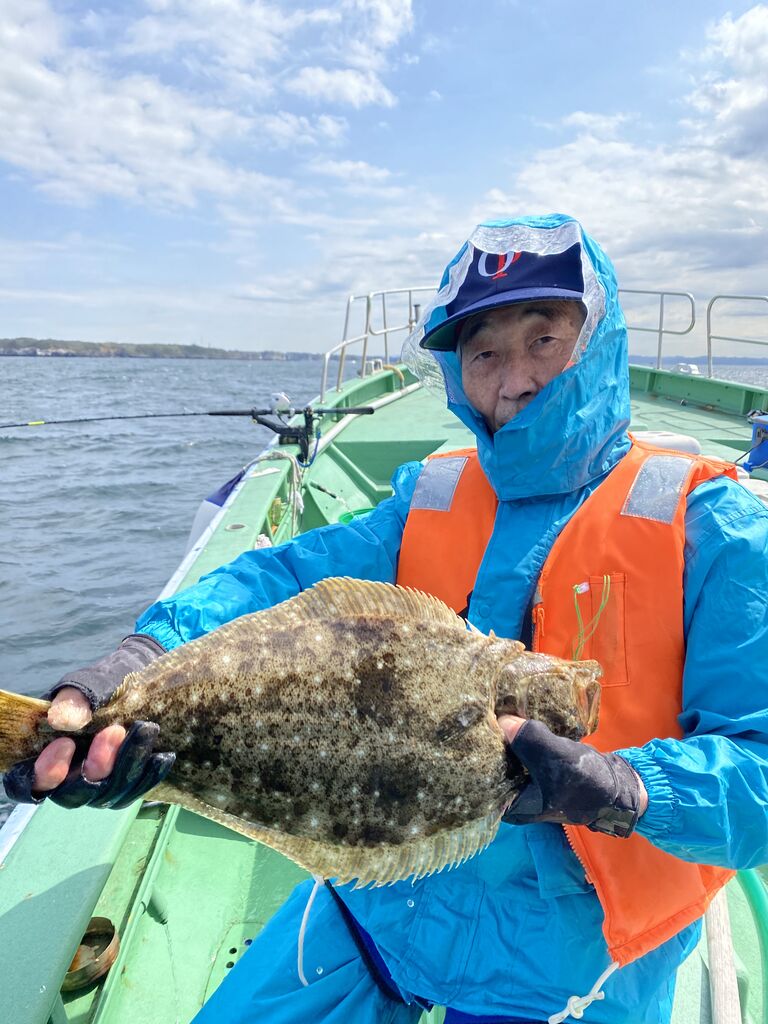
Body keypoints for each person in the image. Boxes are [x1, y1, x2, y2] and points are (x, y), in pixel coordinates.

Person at [5, 213, 768, 1024]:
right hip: (380, 907)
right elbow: (280, 579)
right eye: (484, 354)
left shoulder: (714, 525)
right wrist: (143, 658)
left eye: (544, 339)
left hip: (582, 958)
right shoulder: (428, 497)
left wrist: (628, 789)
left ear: (598, 340)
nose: (515, 379)